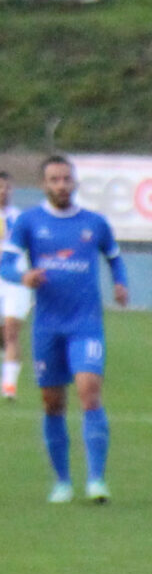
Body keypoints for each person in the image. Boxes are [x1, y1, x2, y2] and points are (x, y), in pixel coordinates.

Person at [0, 156, 126, 505]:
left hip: (85, 324)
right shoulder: (28, 222)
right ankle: (62, 482)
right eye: (54, 180)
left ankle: (97, 480)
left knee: (89, 392)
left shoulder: (94, 223)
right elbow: (5, 264)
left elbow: (114, 257)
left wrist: (121, 284)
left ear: (75, 183)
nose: (61, 185)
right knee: (52, 403)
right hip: (47, 326)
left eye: (66, 179)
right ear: (44, 184)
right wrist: (22, 276)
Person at [0, 171, 23, 403]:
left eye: (7, 187)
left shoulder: (20, 218)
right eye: (0, 187)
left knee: (11, 331)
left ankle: (8, 386)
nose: (4, 191)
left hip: (14, 280)